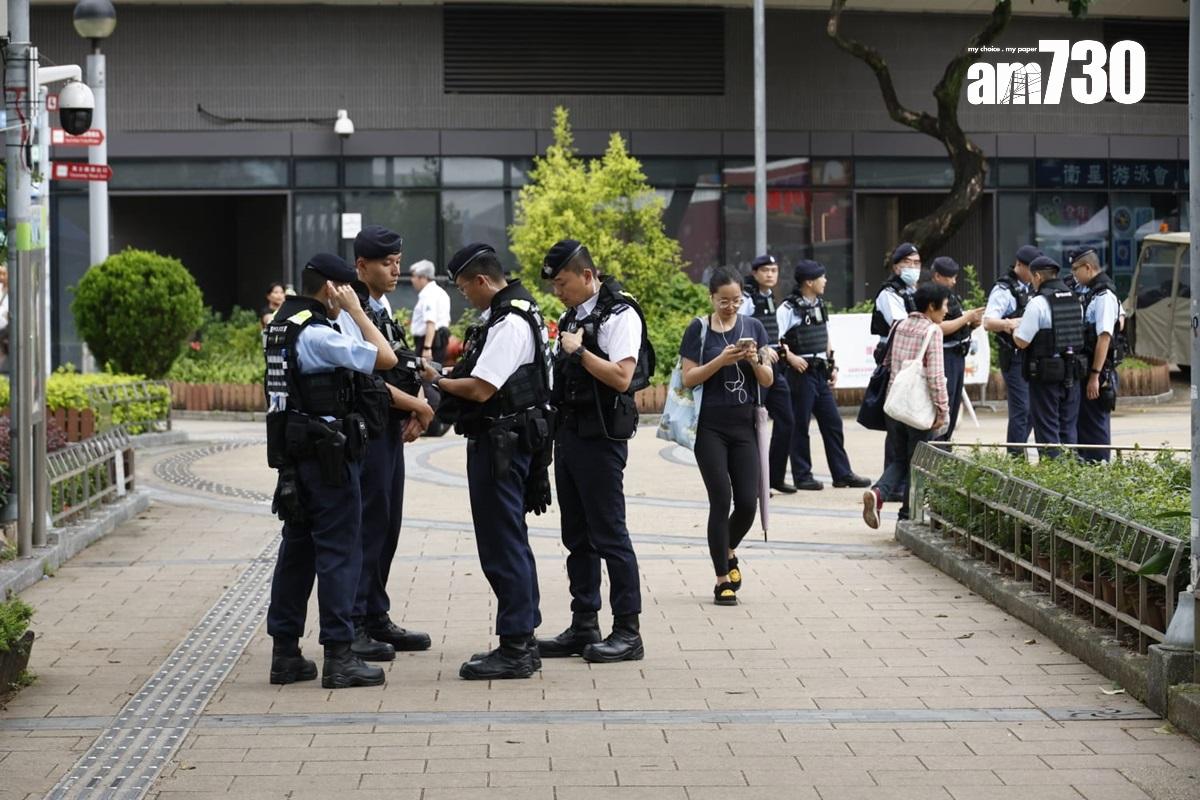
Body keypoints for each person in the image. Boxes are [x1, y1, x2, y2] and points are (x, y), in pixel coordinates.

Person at [262, 253, 399, 689]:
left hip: (294, 456)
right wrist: (358, 312)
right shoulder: (318, 334)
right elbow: (385, 358)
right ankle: (339, 657)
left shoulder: (281, 325)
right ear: (332, 289)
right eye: (346, 291)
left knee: (297, 553)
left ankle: (285, 654)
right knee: (340, 552)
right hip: (328, 459)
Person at [423, 242, 553, 680]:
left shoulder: (510, 321)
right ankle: (524, 639)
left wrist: (438, 379)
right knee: (510, 538)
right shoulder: (518, 310)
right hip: (510, 440)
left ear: (482, 280)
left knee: (502, 544)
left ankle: (516, 645)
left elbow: (481, 388)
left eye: (463, 289)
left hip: (502, 444)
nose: (465, 297)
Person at [536, 239, 652, 663]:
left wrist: (580, 351)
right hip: (570, 435)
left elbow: (622, 377)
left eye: (563, 283)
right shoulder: (574, 315)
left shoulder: (620, 314)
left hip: (601, 439)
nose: (557, 292)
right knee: (577, 537)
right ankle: (584, 622)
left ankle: (628, 630)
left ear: (587, 276)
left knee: (610, 534)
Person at [349, 225, 436, 663]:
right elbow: (368, 382)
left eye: (399, 262)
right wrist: (418, 408)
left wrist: (418, 403)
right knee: (368, 526)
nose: (396, 269)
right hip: (366, 433)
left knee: (388, 524)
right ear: (361, 266)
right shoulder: (353, 311)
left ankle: (376, 612)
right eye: (387, 263)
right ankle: (358, 620)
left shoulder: (381, 307)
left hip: (389, 431)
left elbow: (399, 365)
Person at [679, 267, 774, 607]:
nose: (731, 306)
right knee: (721, 499)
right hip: (710, 427)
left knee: (748, 502)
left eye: (737, 300)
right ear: (711, 299)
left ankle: (728, 548)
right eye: (724, 301)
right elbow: (689, 378)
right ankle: (722, 579)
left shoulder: (754, 328)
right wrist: (720, 360)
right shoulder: (699, 330)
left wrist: (753, 360)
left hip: (744, 425)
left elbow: (767, 381)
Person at [862, 283, 951, 528]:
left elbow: (887, 362)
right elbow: (935, 376)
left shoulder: (899, 325)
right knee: (917, 462)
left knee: (899, 459)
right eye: (944, 305)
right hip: (918, 409)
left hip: (895, 403)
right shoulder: (933, 332)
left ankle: (879, 493)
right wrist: (942, 410)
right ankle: (908, 516)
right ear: (931, 306)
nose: (947, 311)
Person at [777, 259, 871, 491]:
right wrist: (790, 357)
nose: (825, 281)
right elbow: (775, 339)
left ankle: (842, 474)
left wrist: (833, 365)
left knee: (833, 423)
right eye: (822, 277)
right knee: (800, 425)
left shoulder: (819, 304)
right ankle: (803, 475)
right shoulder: (787, 309)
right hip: (801, 372)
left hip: (820, 371)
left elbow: (825, 336)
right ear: (809, 282)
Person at [1013, 255, 1085, 460]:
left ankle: (1053, 476)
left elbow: (1022, 341)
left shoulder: (1038, 303)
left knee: (1047, 431)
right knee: (1068, 429)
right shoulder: (1075, 299)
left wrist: (1013, 331)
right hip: (1072, 373)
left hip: (1045, 376)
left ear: (1037, 276)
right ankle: (1070, 471)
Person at [739, 255, 796, 493]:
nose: (770, 274)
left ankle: (775, 477)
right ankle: (757, 480)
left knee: (787, 421)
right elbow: (740, 328)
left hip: (775, 367)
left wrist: (782, 349)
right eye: (765, 270)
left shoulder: (770, 298)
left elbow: (774, 332)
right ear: (755, 273)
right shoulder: (747, 299)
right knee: (755, 425)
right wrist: (762, 350)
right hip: (756, 367)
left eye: (774, 270)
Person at [871, 243, 921, 501]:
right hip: (894, 359)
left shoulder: (912, 290)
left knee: (908, 419)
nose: (914, 268)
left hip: (912, 359)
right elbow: (901, 325)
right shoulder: (888, 293)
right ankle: (892, 485)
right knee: (896, 418)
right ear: (896, 266)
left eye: (917, 263)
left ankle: (898, 483)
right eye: (908, 263)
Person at [983, 245, 1038, 456]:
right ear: (1020, 265)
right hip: (1013, 356)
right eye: (1031, 269)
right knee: (1021, 409)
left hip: (1031, 356)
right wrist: (1011, 323)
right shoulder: (1004, 289)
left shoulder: (1033, 286)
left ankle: (1019, 449)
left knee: (1033, 409)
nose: (1035, 274)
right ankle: (1015, 457)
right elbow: (988, 322)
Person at [1070, 247, 1121, 463]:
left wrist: (1094, 376)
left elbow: (1104, 338)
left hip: (1098, 372)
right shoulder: (1089, 292)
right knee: (1085, 425)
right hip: (1088, 369)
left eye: (1075, 270)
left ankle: (1099, 472)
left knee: (1096, 429)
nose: (1073, 275)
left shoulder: (1104, 295)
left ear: (1088, 267)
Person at [928, 257, 984, 441]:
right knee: (943, 404)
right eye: (949, 277)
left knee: (953, 404)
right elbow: (938, 327)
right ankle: (937, 447)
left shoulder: (950, 296)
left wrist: (972, 323)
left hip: (957, 354)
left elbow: (958, 326)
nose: (954, 281)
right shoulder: (930, 296)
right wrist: (966, 317)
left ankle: (945, 447)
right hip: (943, 356)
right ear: (937, 276)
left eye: (955, 277)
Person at [411, 259, 452, 365]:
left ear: (423, 277)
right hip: (438, 339)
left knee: (425, 374)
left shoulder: (429, 295)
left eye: (414, 276)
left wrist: (427, 348)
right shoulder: (439, 292)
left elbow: (430, 322)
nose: (412, 280)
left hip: (430, 341)